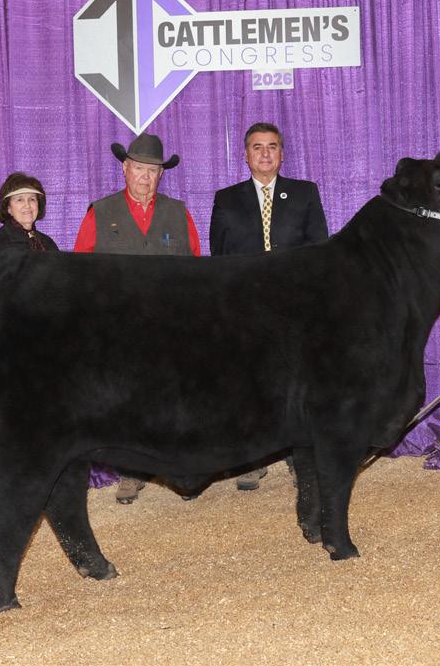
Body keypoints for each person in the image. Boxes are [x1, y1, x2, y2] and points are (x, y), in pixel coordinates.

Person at [73, 132, 201, 503]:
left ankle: (178, 469)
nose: (145, 176)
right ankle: (131, 471)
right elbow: (80, 272)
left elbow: (197, 271)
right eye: (139, 168)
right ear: (125, 169)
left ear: (161, 175)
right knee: (126, 402)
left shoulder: (178, 213)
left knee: (173, 401)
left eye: (152, 170)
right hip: (119, 328)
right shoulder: (100, 212)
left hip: (169, 327)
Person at [209, 121, 329, 490]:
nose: (265, 154)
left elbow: (319, 252)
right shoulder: (226, 199)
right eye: (257, 147)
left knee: (296, 386)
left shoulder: (305, 193)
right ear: (245, 155)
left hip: (293, 309)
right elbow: (218, 259)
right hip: (245, 310)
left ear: (282, 154)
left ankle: (299, 457)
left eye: (272, 146)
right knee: (248, 385)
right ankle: (250, 459)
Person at [0, 173, 59, 488]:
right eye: (19, 199)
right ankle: (10, 481)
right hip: (14, 342)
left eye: (32, 199)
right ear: (7, 207)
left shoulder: (47, 244)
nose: (27, 205)